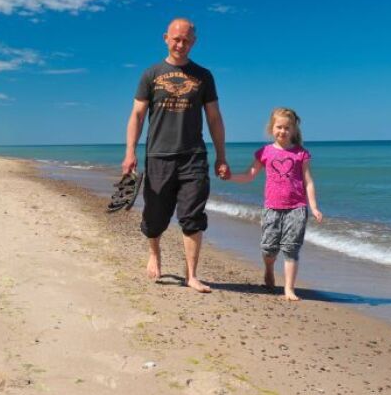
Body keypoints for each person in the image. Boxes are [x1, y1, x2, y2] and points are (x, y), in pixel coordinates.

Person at [122, 18, 230, 292]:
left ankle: (191, 274)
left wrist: (221, 155)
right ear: (165, 38)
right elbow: (137, 114)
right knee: (155, 215)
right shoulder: (151, 74)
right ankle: (154, 253)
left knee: (193, 215)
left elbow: (214, 118)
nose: (181, 44)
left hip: (193, 156)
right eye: (176, 39)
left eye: (186, 40)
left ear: (194, 42)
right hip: (158, 155)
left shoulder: (203, 76)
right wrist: (130, 152)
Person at [229, 107, 323, 300]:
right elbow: (249, 175)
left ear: (294, 130)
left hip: (297, 208)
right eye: (279, 127)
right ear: (272, 128)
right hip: (272, 207)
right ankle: (269, 269)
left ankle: (289, 288)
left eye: (287, 128)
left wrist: (313, 206)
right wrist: (230, 176)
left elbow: (309, 181)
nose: (283, 131)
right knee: (269, 248)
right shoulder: (264, 152)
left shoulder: (300, 154)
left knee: (291, 249)